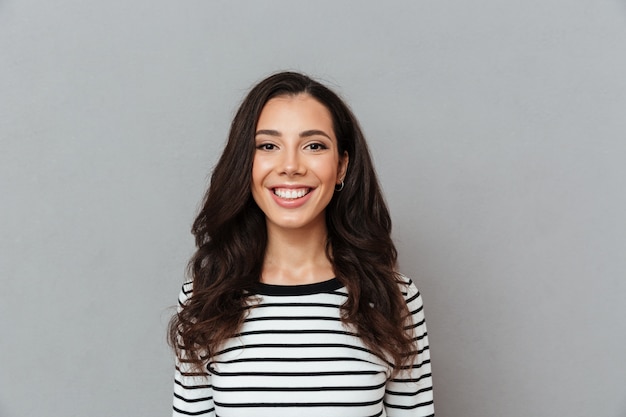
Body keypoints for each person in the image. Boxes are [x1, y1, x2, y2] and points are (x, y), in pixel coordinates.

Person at [168, 71, 434, 417]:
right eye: (268, 146)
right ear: (244, 165)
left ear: (341, 166)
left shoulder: (393, 298)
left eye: (314, 145)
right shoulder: (204, 298)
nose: (290, 166)